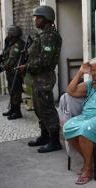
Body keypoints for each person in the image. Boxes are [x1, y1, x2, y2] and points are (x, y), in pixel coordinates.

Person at [17, 5, 62, 153]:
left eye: (38, 18)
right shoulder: (42, 35)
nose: (35, 20)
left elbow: (45, 61)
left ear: (46, 19)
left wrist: (27, 66)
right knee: (38, 108)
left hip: (45, 77)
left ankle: (55, 140)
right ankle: (45, 136)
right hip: (37, 77)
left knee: (47, 108)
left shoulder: (50, 36)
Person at [1, 25, 25, 120]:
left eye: (9, 33)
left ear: (13, 34)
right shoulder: (10, 43)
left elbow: (12, 60)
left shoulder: (16, 45)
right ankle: (13, 109)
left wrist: (3, 67)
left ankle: (17, 112)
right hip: (10, 72)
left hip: (15, 72)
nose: (8, 35)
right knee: (11, 90)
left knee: (16, 91)